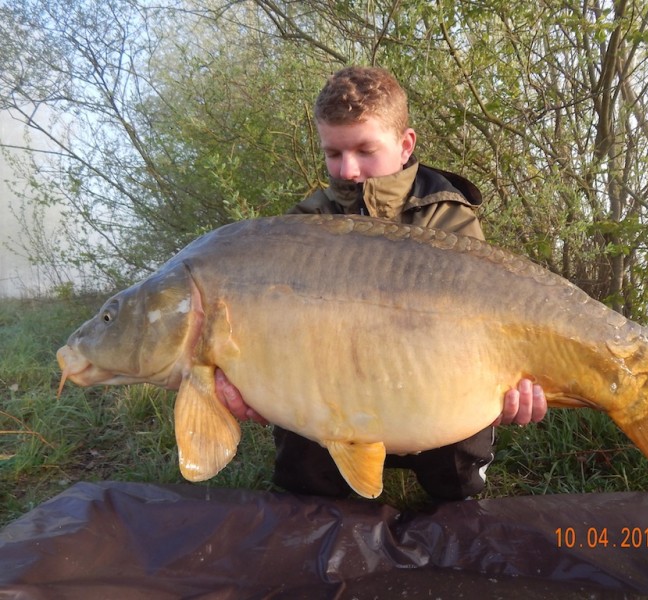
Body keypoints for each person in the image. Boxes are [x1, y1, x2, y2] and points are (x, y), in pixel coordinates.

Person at [215, 66, 547, 501]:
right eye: (333, 154)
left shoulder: (446, 216)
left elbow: (483, 326)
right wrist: (255, 381)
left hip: (427, 389)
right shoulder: (306, 226)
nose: (348, 170)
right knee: (303, 465)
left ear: (405, 144)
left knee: (458, 474)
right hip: (334, 391)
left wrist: (514, 384)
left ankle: (458, 500)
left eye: (365, 150)